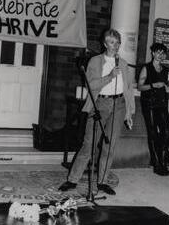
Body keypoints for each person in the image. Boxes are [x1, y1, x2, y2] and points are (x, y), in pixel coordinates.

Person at [58, 28, 135, 195]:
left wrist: (129, 113)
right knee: (89, 144)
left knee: (110, 146)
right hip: (100, 103)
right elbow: (90, 85)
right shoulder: (95, 61)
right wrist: (110, 76)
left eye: (118, 43)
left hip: (119, 104)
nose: (115, 46)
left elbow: (129, 89)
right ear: (105, 43)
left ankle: (102, 181)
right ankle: (72, 180)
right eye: (112, 42)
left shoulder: (123, 64)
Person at [137, 43, 169, 176]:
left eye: (163, 53)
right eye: (158, 52)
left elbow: (167, 85)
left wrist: (167, 88)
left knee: (167, 132)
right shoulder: (146, 68)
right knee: (152, 133)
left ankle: (161, 160)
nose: (161, 55)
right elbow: (140, 87)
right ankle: (157, 164)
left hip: (161, 104)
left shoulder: (166, 70)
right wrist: (153, 85)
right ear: (152, 53)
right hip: (149, 103)